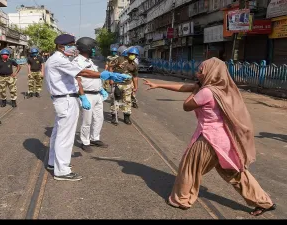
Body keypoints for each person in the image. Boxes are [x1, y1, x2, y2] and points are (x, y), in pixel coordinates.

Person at [143, 57, 276, 216]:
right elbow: (185, 87)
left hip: (209, 139)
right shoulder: (224, 89)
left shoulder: (206, 91)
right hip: (225, 139)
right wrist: (159, 84)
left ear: (211, 72)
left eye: (201, 71)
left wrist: (195, 90)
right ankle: (264, 202)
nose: (197, 73)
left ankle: (182, 199)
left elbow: (187, 105)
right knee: (234, 173)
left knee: (189, 168)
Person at [45, 34, 131, 181]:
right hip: (66, 100)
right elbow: (82, 72)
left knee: (58, 134)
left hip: (63, 99)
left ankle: (54, 163)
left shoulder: (59, 59)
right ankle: (62, 171)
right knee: (65, 137)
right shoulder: (58, 60)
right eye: (71, 44)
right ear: (61, 46)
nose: (74, 47)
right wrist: (107, 75)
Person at [74, 37, 109, 153]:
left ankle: (95, 138)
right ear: (87, 48)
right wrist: (82, 96)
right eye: (93, 48)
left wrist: (102, 89)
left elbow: (95, 78)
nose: (94, 50)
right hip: (87, 95)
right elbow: (78, 80)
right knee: (87, 120)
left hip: (97, 94)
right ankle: (85, 141)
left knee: (99, 118)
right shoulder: (77, 62)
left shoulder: (89, 61)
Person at [108, 47, 139, 125]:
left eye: (135, 55)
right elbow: (110, 66)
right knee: (115, 100)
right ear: (128, 54)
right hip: (117, 83)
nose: (133, 56)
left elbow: (135, 77)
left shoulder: (134, 65)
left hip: (128, 85)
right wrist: (111, 78)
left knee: (127, 101)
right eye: (131, 54)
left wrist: (135, 87)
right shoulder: (120, 59)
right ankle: (114, 117)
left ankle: (126, 117)